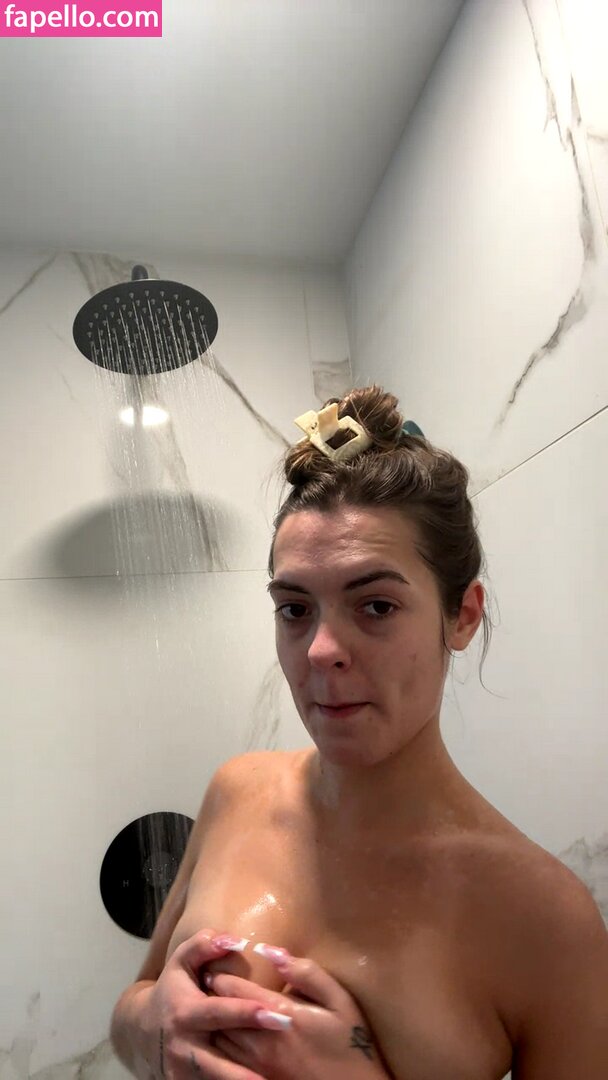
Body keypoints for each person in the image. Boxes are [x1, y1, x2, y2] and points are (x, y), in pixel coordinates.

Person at [110, 386, 608, 1080]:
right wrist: (156, 1027)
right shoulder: (238, 792)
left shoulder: (545, 919)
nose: (320, 650)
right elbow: (132, 1009)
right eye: (294, 610)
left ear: (462, 616)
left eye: (375, 606)